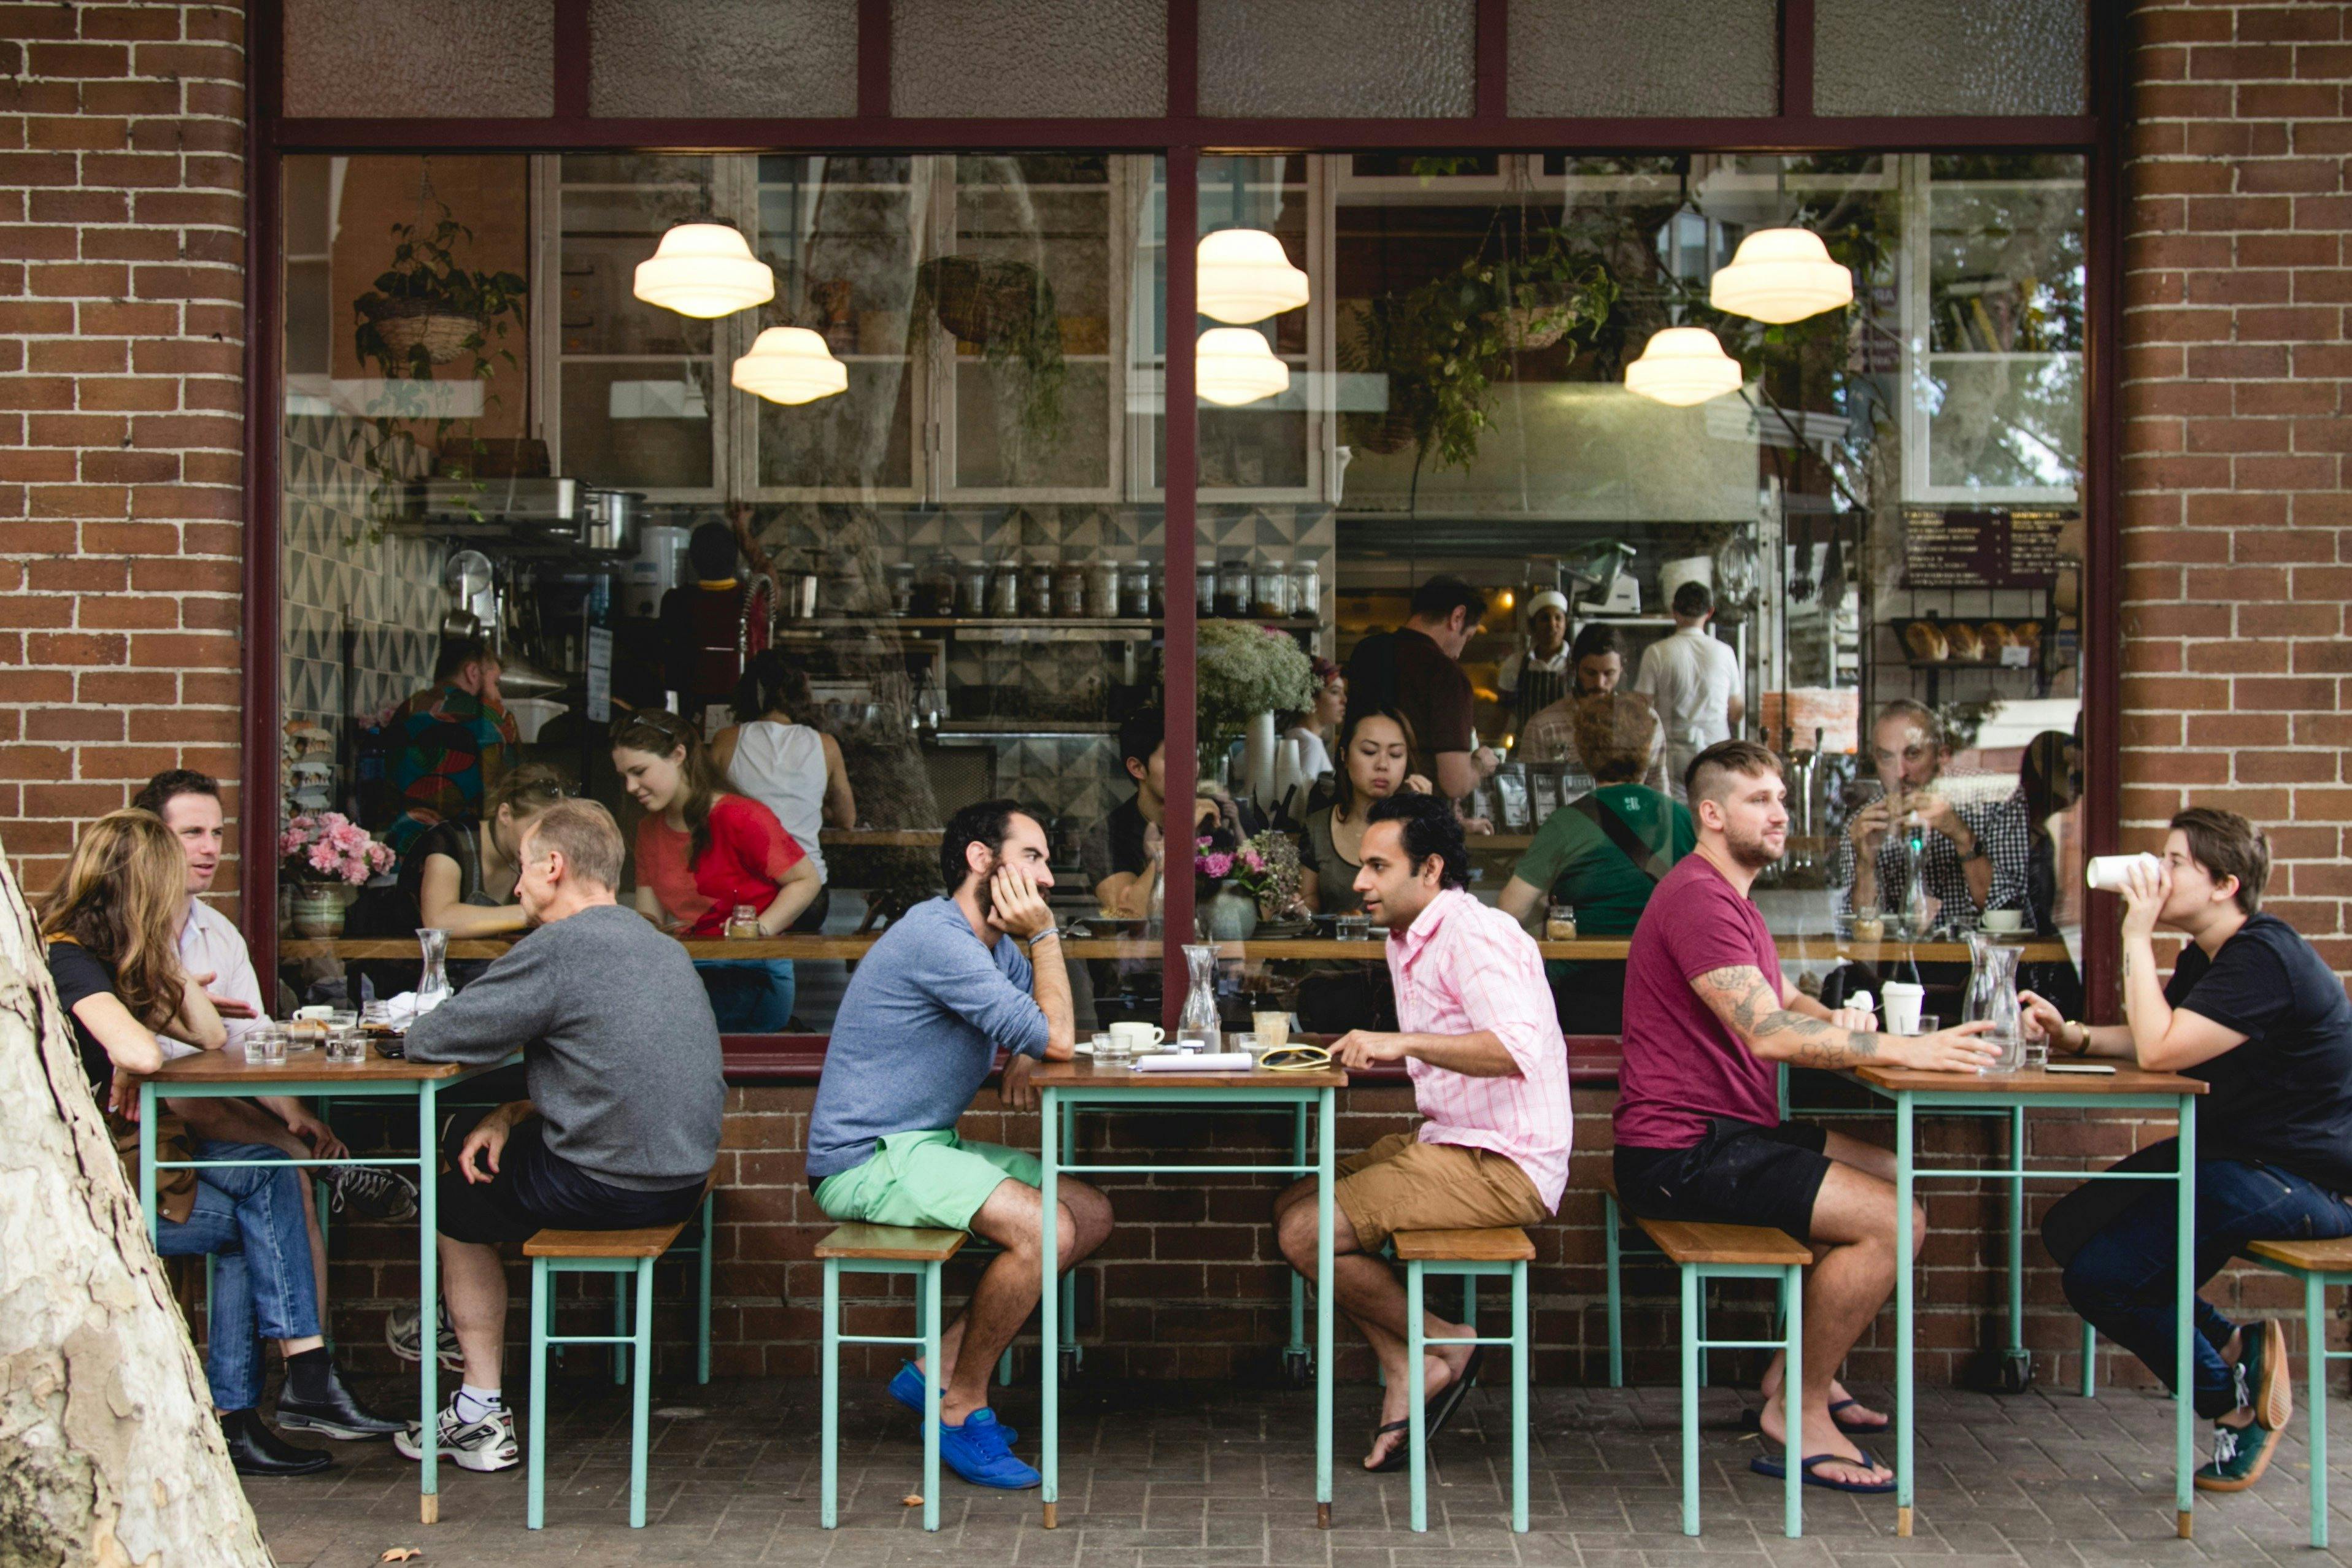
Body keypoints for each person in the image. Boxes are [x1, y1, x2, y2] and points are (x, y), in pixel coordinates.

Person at [1613, 740, 1999, 1494]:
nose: (1781, 812)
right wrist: (1898, 1049)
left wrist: (1850, 1019)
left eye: (1782, 798)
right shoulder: (1696, 897)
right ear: (1712, 814)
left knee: (1895, 1182)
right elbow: (1768, 1033)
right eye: (1759, 799)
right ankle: (1796, 1408)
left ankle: (1798, 1372)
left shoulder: (1730, 899)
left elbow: (1782, 1001)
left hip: (1732, 1133)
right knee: (1888, 1221)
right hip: (1679, 1152)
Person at [42, 810, 398, 1477]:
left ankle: (270, 1397)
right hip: (88, 1189)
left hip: (142, 1159)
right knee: (249, 1213)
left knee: (265, 1173)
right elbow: (136, 1051)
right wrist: (136, 1035)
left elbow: (207, 1036)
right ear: (137, 888)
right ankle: (264, 1401)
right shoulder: (69, 957)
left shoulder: (122, 959)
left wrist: (165, 975)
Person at [390, 799, 723, 1474]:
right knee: (481, 1135)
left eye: (521, 871)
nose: (516, 890)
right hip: (681, 1178)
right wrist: (513, 1113)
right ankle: (447, 1323)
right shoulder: (657, 944)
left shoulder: (560, 947)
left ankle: (477, 1410)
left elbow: (432, 1038)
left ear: (553, 866)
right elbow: (606, 1072)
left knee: (455, 1188)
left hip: (608, 1184)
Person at [2025, 809, 2352, 1493]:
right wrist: (2076, 1036)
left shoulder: (2264, 956)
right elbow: (2163, 1030)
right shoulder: (2213, 955)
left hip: (2306, 1182)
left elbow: (2162, 1049)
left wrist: (2135, 936)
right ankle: (2240, 1347)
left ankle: (2234, 1407)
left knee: (2102, 1279)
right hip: (2234, 1158)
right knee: (2069, 1230)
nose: (2156, 871)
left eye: (2174, 861)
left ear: (2224, 884)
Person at [806, 801, 1108, 1491]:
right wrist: (1046, 941)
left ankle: (935, 1368)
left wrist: (1026, 1050)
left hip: (922, 1145)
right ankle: (959, 1407)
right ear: (981, 859)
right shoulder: (936, 938)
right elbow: (1057, 1035)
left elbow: (1043, 1027)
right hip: (866, 1159)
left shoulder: (993, 949)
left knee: (1086, 1212)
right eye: (1032, 857)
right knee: (1040, 1228)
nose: (1048, 879)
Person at [1271, 792, 1569, 1473]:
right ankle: (1410, 1362)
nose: (1359, 882)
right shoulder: (1407, 935)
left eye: (1378, 866)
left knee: (1307, 1233)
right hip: (1454, 1141)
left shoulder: (1474, 934)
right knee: (1292, 1207)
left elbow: (1514, 1048)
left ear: (1430, 869)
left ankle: (1446, 1342)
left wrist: (1398, 1041)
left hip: (1505, 1161)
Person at [134, 769, 419, 1237]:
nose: (210, 848)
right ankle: (317, 1164)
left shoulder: (220, 932)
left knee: (292, 1188)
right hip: (149, 1128)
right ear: (152, 840)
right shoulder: (124, 931)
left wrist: (293, 1112)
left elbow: (249, 1039)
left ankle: (310, 1177)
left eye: (216, 833)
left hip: (214, 1120)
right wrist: (291, 1140)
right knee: (198, 1101)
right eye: (192, 834)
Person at [612, 707, 822, 1032]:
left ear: (679, 755)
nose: (630, 786)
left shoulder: (740, 816)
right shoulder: (648, 830)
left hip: (750, 969)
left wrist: (760, 930)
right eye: (624, 776)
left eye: (639, 771)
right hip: (687, 968)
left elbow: (807, 881)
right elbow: (649, 922)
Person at [1500, 693, 1692, 937]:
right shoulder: (1682, 819)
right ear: (1648, 748)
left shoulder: (1566, 823)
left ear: (1584, 751)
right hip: (1661, 970)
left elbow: (1511, 909)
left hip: (1583, 970)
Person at [1833, 699, 2029, 928]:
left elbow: (2009, 914)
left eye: (1913, 754)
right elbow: (1862, 933)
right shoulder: (1864, 825)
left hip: (1976, 959)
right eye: (1886, 757)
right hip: (1900, 961)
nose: (1900, 773)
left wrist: (1962, 836)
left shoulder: (1994, 801)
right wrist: (1865, 863)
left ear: (1942, 756)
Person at [712, 648, 857, 931]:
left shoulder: (726, 741)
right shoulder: (826, 745)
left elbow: (707, 811)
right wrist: (815, 807)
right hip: (808, 900)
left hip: (744, 896)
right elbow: (847, 819)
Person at [1344, 576, 1498, 804]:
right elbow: (1455, 783)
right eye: (1467, 637)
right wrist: (1479, 765)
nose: (1459, 653)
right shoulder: (1447, 674)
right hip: (1413, 821)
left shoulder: (1367, 651)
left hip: (1357, 811)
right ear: (1457, 617)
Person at [396, 763, 568, 938]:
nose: (545, 841)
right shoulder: (448, 841)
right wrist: (532, 913)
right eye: (535, 828)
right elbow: (439, 920)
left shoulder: (544, 857)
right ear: (505, 815)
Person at [385, 634, 519, 858]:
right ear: (473, 672)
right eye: (496, 683)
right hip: (466, 850)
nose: (499, 694)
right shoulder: (495, 719)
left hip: (404, 847)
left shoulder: (407, 710)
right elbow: (513, 790)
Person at [1297, 708, 1429, 915]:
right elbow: (1309, 901)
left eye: (1395, 754)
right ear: (1344, 756)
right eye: (1369, 752)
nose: (1383, 765)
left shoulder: (1418, 823)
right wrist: (1299, 908)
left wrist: (1429, 820)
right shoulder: (1318, 827)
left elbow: (1435, 903)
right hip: (1335, 946)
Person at [1514, 623, 1669, 794]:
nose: (1599, 684)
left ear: (1622, 669)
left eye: (1609, 673)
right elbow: (1527, 795)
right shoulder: (1542, 727)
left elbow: (1659, 788)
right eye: (1591, 673)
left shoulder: (1644, 720)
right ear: (1575, 668)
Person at [1632, 582, 1744, 801]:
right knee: (1713, 815)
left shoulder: (1657, 652)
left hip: (1673, 753)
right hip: (1716, 751)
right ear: (1710, 612)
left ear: (1674, 611)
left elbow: (1640, 709)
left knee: (1676, 819)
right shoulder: (1725, 653)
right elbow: (1737, 712)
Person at [660, 519, 756, 730]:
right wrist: (744, 531)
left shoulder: (675, 601)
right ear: (735, 559)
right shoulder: (750, 600)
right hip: (740, 706)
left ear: (693, 560)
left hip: (690, 706)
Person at [1495, 589, 1572, 736]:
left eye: (1558, 618)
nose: (1552, 624)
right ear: (1533, 625)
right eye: (1545, 618)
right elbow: (1502, 713)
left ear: (1565, 624)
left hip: (1568, 750)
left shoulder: (1577, 663)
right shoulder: (1516, 664)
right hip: (1527, 748)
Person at [1280, 658, 1346, 789]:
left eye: (1343, 693)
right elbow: (1300, 799)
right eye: (1334, 692)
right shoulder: (1310, 744)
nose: (1344, 700)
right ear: (1311, 697)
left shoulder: (1297, 737)